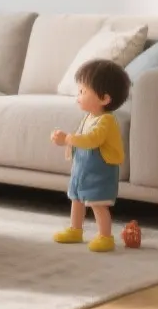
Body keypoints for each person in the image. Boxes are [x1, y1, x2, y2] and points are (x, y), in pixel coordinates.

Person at [50, 58, 130, 252]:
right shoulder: (89, 117)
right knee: (76, 199)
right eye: (79, 91)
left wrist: (68, 138)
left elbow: (92, 139)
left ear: (104, 98)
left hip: (99, 172)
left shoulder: (106, 121)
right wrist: (66, 141)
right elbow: (81, 138)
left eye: (83, 92)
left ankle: (105, 236)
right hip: (82, 170)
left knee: (97, 203)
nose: (78, 96)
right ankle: (75, 229)